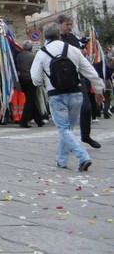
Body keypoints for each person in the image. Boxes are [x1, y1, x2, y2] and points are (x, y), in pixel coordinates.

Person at [31, 22, 104, 172]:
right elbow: (90, 72)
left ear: (45, 36)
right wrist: (98, 90)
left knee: (64, 129)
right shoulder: (73, 50)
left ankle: (83, 156)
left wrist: (44, 82)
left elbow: (35, 78)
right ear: (59, 34)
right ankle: (61, 159)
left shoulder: (42, 52)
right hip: (76, 93)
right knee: (68, 128)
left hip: (56, 94)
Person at [58, 14, 101, 149]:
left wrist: (81, 52)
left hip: (77, 76)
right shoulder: (55, 39)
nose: (70, 27)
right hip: (61, 79)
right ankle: (68, 141)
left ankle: (85, 136)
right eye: (67, 24)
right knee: (66, 113)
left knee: (86, 107)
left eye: (71, 24)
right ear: (59, 24)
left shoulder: (72, 38)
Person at [16, 42, 44, 128]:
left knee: (31, 99)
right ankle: (24, 121)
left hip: (22, 79)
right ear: (31, 48)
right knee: (30, 100)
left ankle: (39, 120)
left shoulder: (19, 56)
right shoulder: (33, 56)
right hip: (31, 79)